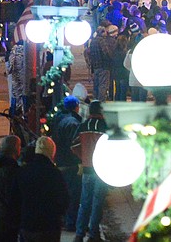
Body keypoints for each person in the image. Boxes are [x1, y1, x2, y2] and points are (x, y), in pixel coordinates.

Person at [18, 136, 71, 242]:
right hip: (49, 226)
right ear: (52, 152)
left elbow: (15, 197)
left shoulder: (23, 171)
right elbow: (64, 199)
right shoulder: (55, 173)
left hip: (27, 224)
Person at [73, 100, 109, 242]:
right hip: (101, 169)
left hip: (87, 168)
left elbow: (74, 144)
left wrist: (83, 157)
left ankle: (79, 233)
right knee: (98, 202)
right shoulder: (106, 127)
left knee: (85, 201)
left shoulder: (83, 126)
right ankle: (94, 234)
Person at [50, 96, 83, 232]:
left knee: (64, 192)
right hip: (69, 163)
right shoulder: (72, 123)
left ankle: (64, 219)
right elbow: (73, 144)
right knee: (73, 194)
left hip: (60, 160)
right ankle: (70, 222)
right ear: (76, 107)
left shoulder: (59, 118)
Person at [0, 135, 22, 242]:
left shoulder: (0, 166)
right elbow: (12, 198)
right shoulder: (10, 170)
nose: (20, 149)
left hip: (0, 220)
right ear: (14, 148)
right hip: (9, 222)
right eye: (19, 146)